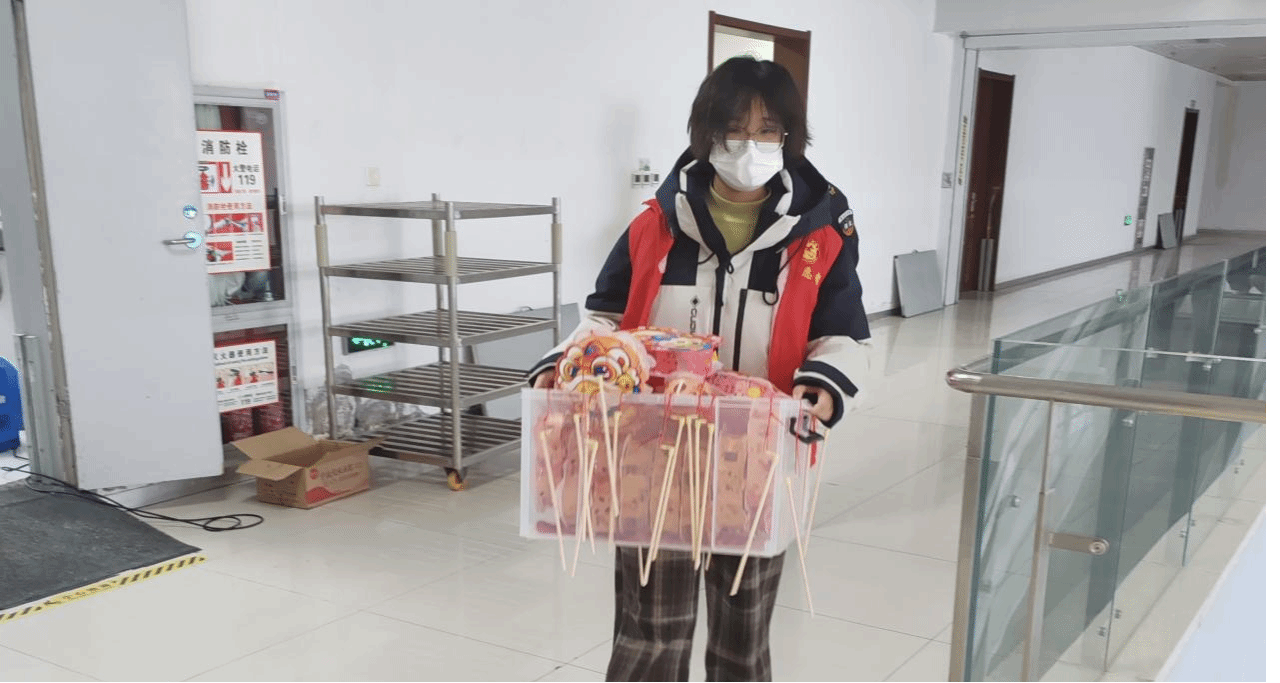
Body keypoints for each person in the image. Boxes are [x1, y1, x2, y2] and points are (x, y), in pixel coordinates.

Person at [529, 56, 872, 682]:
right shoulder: (656, 223)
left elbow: (842, 333)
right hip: (654, 452)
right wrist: (569, 362)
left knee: (743, 635)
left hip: (757, 457)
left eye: (767, 130)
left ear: (789, 136)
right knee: (650, 632)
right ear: (705, 133)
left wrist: (823, 385)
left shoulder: (821, 232)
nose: (749, 145)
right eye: (733, 128)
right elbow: (605, 316)